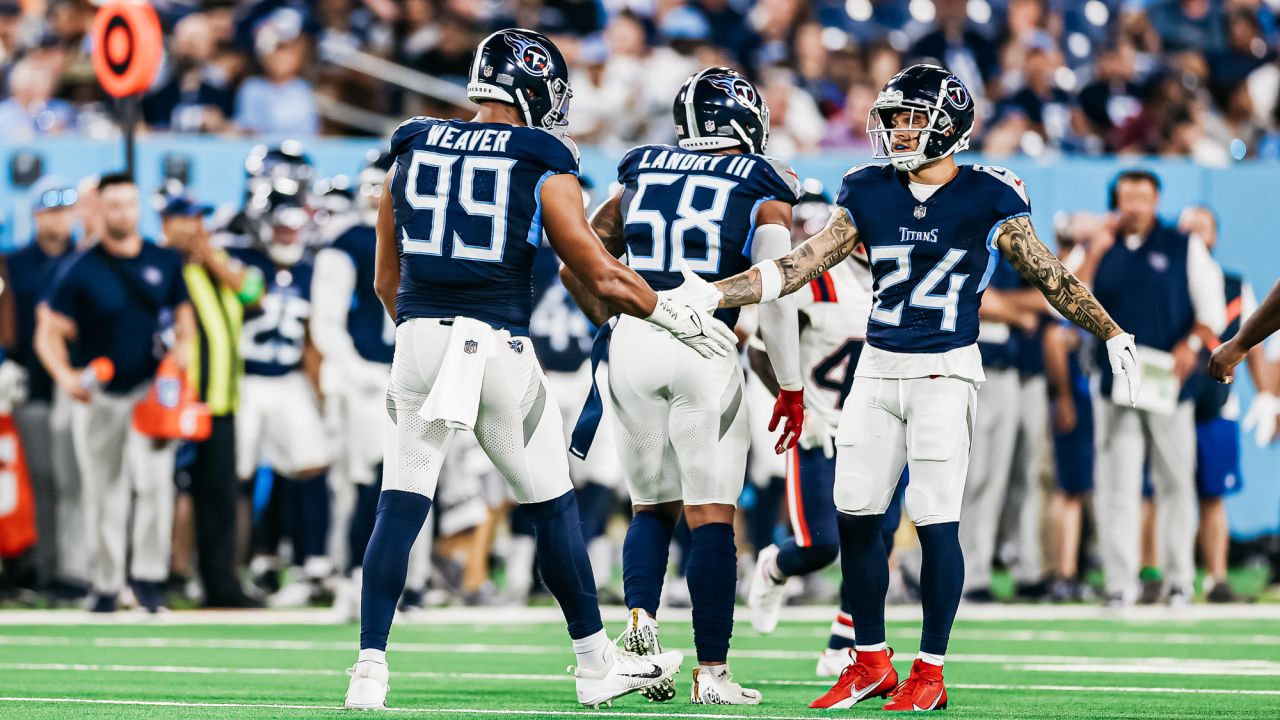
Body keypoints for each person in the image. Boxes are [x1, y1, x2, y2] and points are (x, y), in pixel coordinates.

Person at [680, 64, 1138, 711]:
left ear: (949, 124)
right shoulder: (867, 188)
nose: (896, 130)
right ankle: (869, 660)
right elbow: (798, 263)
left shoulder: (990, 193)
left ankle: (930, 669)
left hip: (945, 371)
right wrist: (716, 292)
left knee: (932, 517)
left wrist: (1111, 331)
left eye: (910, 118)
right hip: (877, 367)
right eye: (892, 118)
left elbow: (1049, 275)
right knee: (857, 514)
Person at [343, 28, 736, 711]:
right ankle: (592, 664)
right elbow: (600, 272)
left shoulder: (409, 141)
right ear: (532, 88)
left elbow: (386, 276)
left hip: (417, 336)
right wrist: (679, 318)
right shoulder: (542, 154)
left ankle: (368, 669)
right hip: (498, 346)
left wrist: (418, 335)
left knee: (400, 502)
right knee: (553, 507)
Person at [561, 67, 804, 706]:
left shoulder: (642, 170)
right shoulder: (762, 183)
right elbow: (776, 294)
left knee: (650, 507)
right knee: (711, 515)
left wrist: (615, 319)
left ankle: (640, 632)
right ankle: (712, 672)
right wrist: (790, 382)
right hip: (706, 344)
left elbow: (577, 255)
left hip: (635, 341)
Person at [742, 185, 906, 676]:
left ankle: (843, 643)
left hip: (877, 427)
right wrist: (798, 402)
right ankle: (775, 566)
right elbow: (758, 349)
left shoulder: (903, 279)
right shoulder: (818, 278)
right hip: (822, 426)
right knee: (821, 545)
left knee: (881, 537)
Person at [35, 172, 195, 613]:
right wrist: (66, 377)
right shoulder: (79, 267)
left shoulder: (163, 261)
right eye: (113, 205)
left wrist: (179, 357)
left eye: (129, 204)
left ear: (138, 207)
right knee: (103, 489)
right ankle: (105, 584)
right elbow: (47, 332)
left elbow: (184, 320)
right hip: (100, 394)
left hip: (149, 390)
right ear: (99, 210)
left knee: (155, 485)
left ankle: (147, 581)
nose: (122, 212)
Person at [1090, 169, 1226, 608]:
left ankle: (1179, 580)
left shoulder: (1183, 244)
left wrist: (1190, 345)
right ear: (1116, 201)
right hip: (1116, 383)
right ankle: (1120, 583)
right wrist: (1093, 249)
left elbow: (1213, 309)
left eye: (1143, 197)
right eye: (1127, 197)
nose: (1134, 205)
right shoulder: (1100, 245)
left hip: (1170, 381)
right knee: (1117, 485)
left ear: (1156, 199)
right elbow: (1067, 297)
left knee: (1175, 483)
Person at [229, 188, 333, 607]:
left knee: (312, 465)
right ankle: (227, 568)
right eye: (280, 226)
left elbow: (311, 338)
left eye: (294, 227)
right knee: (237, 475)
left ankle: (314, 565)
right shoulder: (244, 262)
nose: (288, 235)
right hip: (245, 380)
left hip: (288, 379)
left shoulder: (310, 271)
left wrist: (320, 390)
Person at [160, 193, 263, 608]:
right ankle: (163, 576)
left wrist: (211, 259)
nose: (193, 227)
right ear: (166, 224)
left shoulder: (219, 262)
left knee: (220, 496)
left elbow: (255, 293)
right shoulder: (162, 265)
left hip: (221, 401)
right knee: (165, 494)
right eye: (184, 219)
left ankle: (220, 584)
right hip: (177, 403)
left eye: (199, 217)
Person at [310, 153, 398, 620]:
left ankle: (402, 583)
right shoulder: (345, 243)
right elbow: (326, 321)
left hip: (406, 374)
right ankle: (348, 579)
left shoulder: (413, 235)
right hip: (362, 379)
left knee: (405, 487)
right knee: (360, 486)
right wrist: (354, 371)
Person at [1179, 205, 1272, 602]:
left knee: (1213, 493)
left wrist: (1268, 395)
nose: (1197, 237)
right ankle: (1166, 576)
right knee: (1163, 493)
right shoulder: (1167, 275)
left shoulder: (1234, 284)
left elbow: (1256, 342)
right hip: (1168, 400)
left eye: (1204, 229)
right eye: (1189, 230)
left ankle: (1216, 577)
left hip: (1220, 401)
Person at [4, 176, 84, 598]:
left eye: (64, 210)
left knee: (69, 482)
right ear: (36, 214)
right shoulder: (14, 263)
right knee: (36, 481)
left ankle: (66, 570)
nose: (58, 219)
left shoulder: (84, 259)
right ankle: (35, 567)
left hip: (76, 388)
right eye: (50, 211)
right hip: (29, 385)